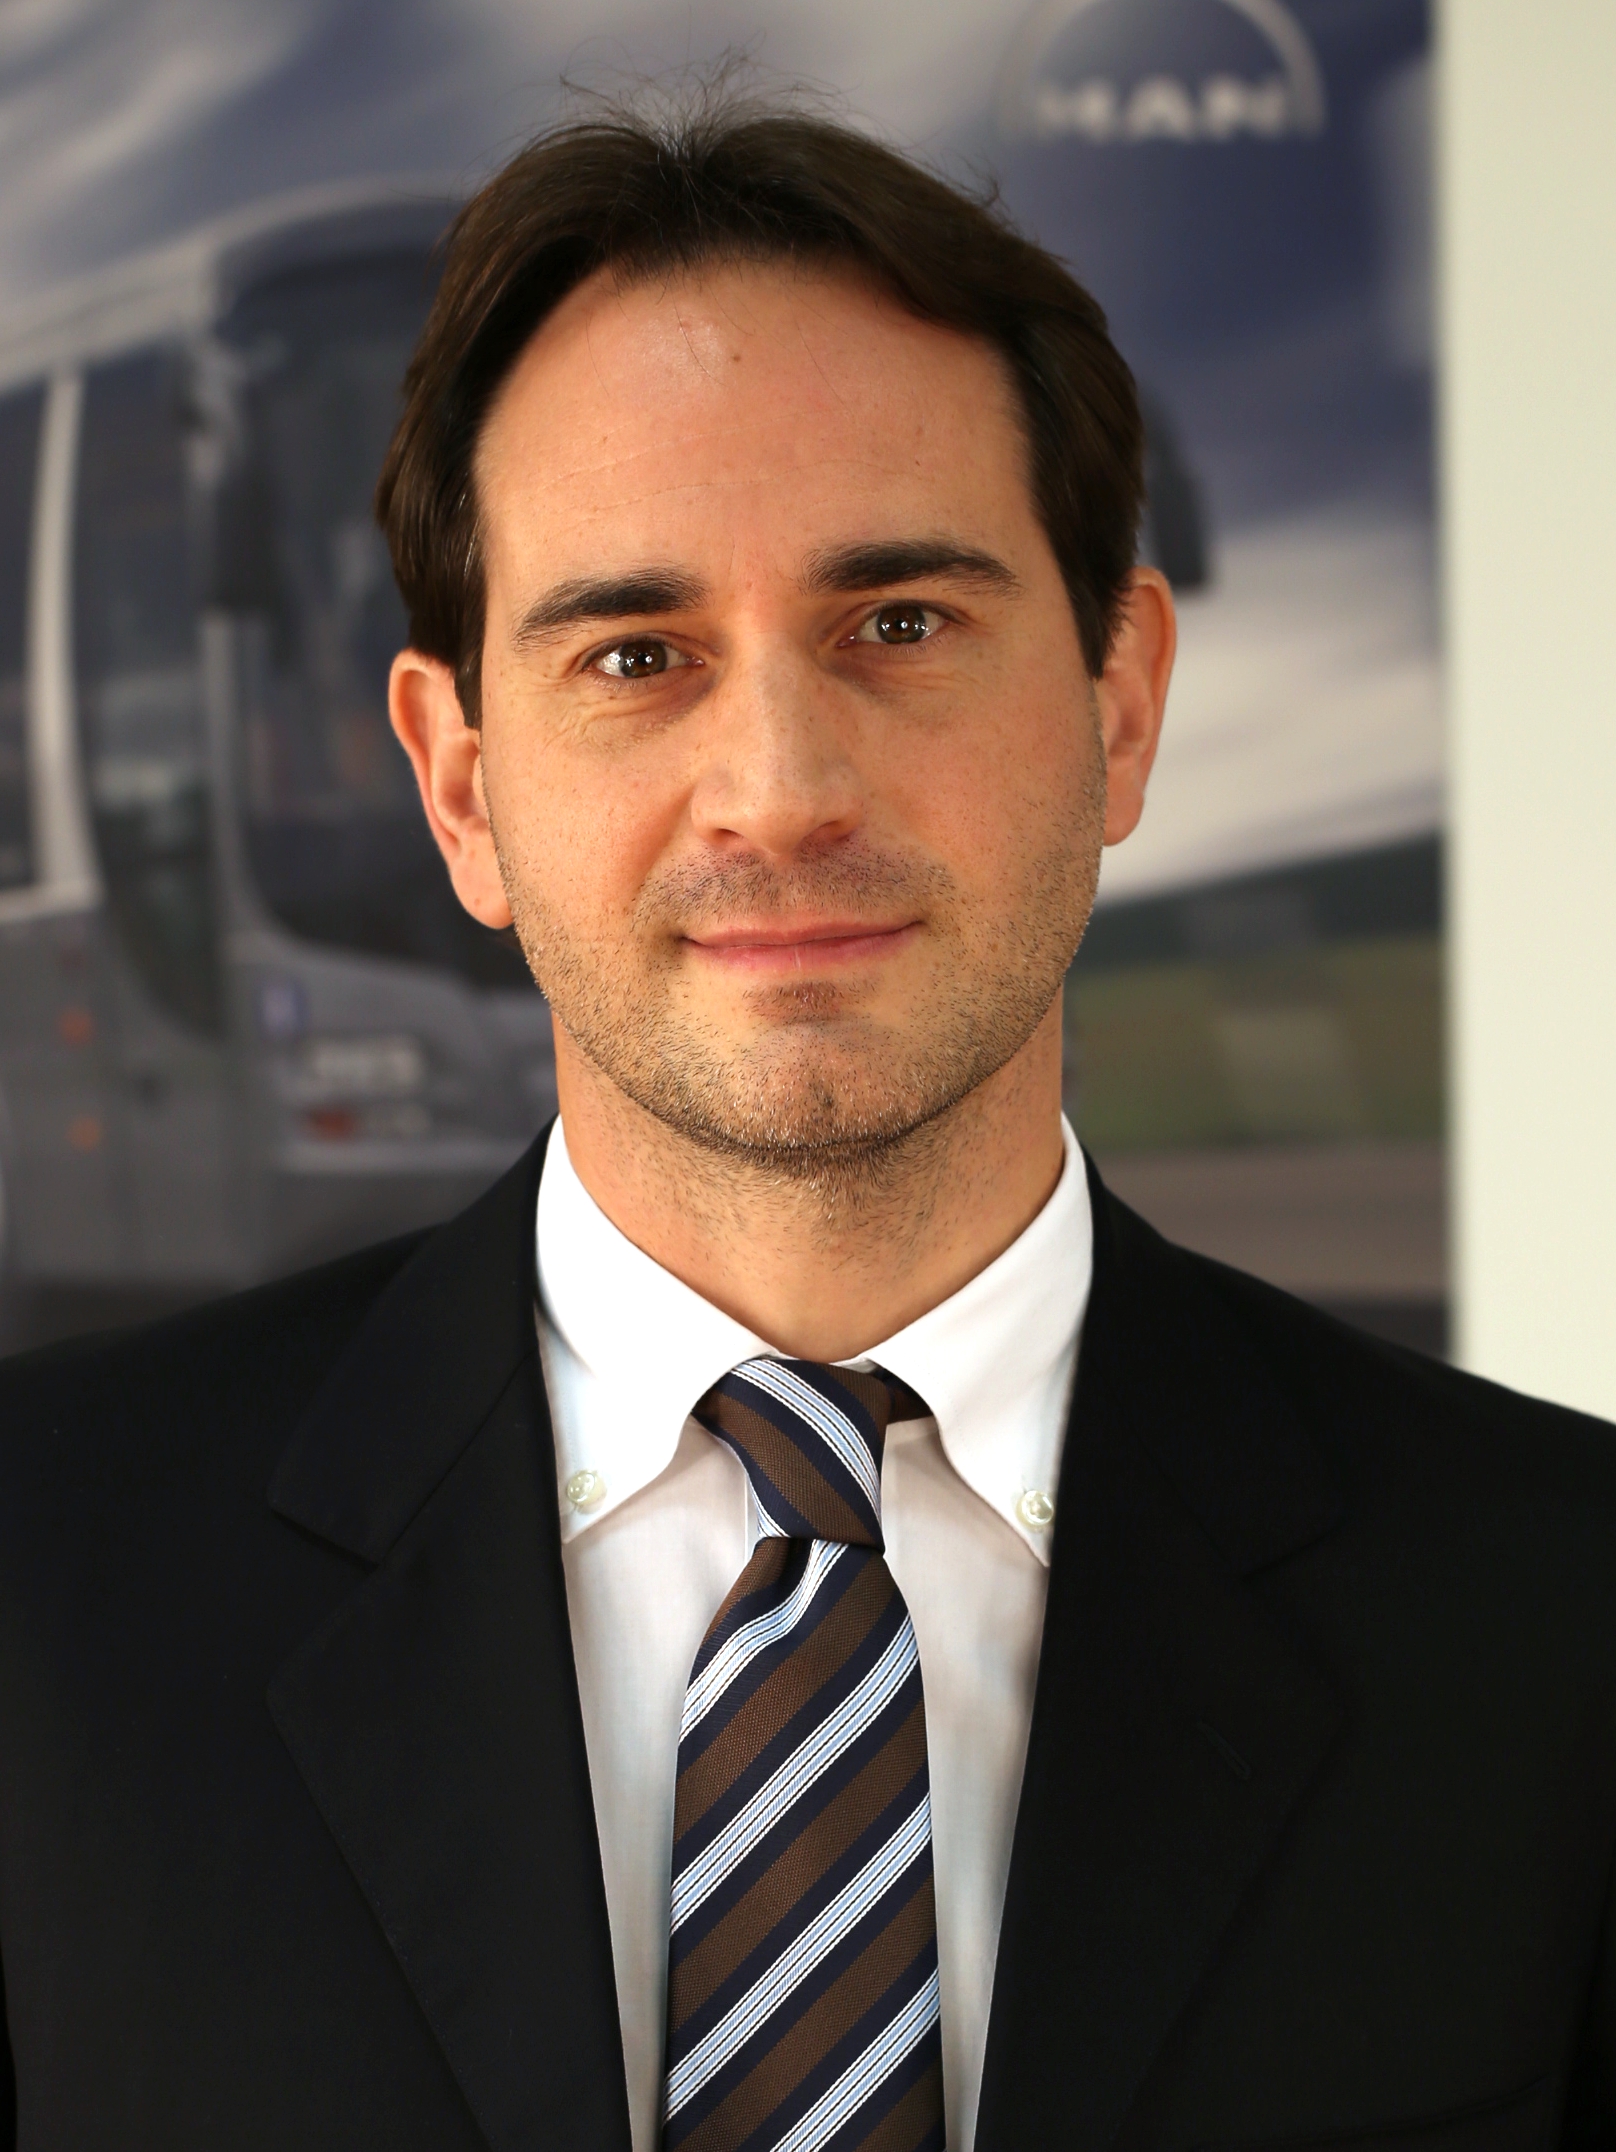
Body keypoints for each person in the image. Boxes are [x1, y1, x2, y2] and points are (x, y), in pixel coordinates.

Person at [2, 93, 1614, 2152]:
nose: (778, 788)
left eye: (901, 625)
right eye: (636, 653)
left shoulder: (1564, 1610)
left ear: (1120, 703)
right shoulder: (33, 1583)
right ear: (463, 786)